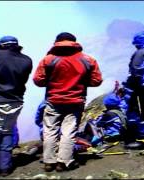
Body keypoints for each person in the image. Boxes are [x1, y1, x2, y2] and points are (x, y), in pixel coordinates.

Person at [33, 32, 103, 172]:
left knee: (50, 131)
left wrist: (53, 82)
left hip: (53, 100)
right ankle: (64, 162)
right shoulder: (88, 60)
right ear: (74, 42)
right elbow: (97, 80)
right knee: (69, 131)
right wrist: (81, 82)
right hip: (76, 100)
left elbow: (38, 80)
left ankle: (49, 162)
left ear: (57, 42)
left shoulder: (48, 59)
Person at [0, 36, 33, 178]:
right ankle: (5, 168)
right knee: (7, 132)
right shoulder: (26, 60)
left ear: (0, 45)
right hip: (15, 102)